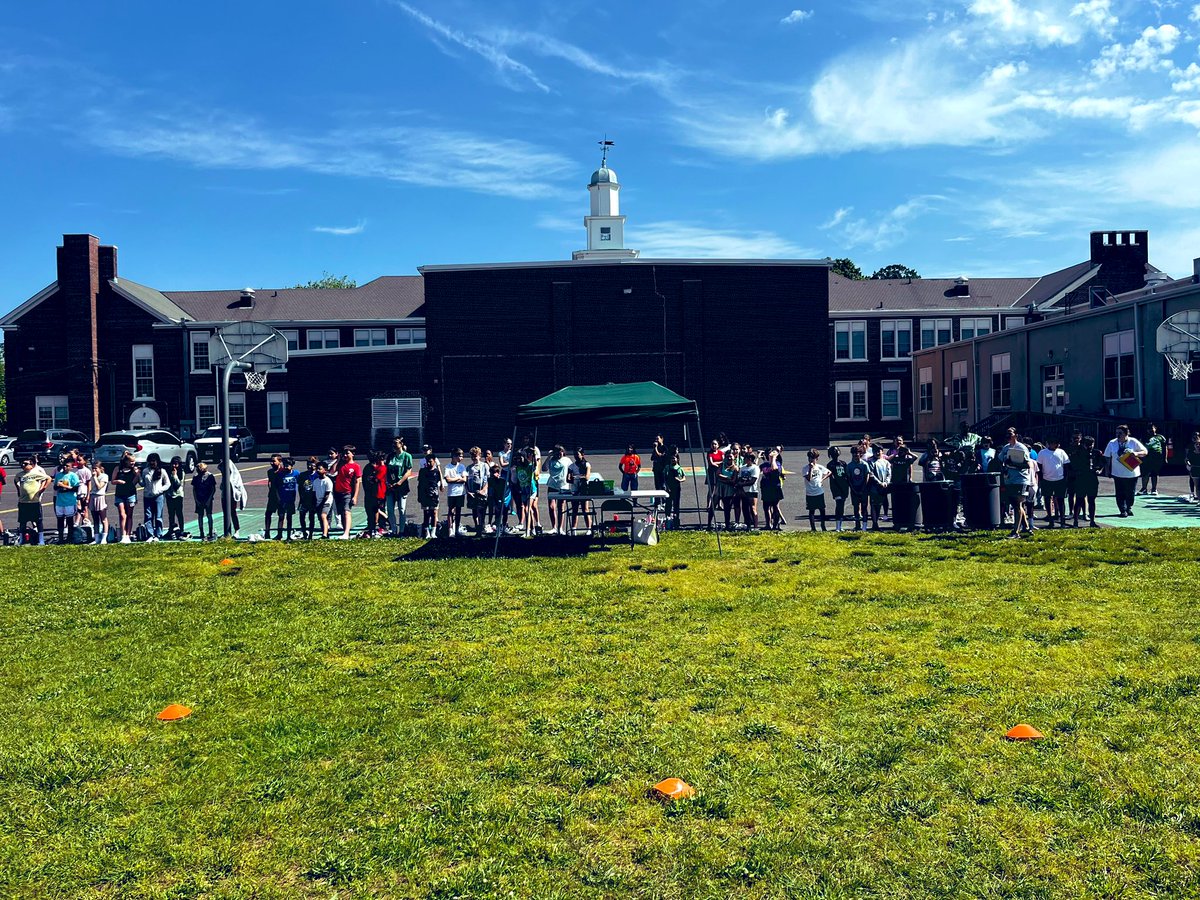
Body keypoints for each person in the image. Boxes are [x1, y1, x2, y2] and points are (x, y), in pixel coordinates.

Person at [1103, 424, 1147, 518]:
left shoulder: (1133, 441)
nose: (1118, 435)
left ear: (1126, 433)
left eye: (1120, 433)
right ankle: (1122, 510)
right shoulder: (1112, 443)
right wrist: (1107, 470)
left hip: (1132, 473)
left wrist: (1135, 453)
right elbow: (1107, 457)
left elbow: (1145, 452)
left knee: (1130, 492)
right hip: (1117, 473)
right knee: (1120, 492)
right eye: (1116, 433)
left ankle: (1129, 507)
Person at [1001, 428, 1033, 537]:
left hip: (1020, 479)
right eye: (1006, 434)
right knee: (1015, 504)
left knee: (1017, 504)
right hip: (1009, 479)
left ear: (1015, 435)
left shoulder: (1021, 448)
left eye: (1010, 434)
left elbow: (1028, 465)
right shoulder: (1006, 448)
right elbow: (1000, 459)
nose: (1008, 436)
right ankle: (1026, 528)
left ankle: (1015, 531)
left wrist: (1014, 464)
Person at [16, 457, 50, 544]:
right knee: (22, 522)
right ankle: (22, 539)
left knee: (38, 521)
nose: (23, 465)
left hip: (34, 502)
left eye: (25, 464)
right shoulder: (19, 475)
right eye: (22, 463)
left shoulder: (36, 473)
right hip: (23, 502)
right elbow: (16, 481)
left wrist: (42, 489)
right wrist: (19, 490)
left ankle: (41, 540)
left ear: (31, 465)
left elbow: (48, 479)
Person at [1036, 437, 1069, 528]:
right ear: (1049, 443)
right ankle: (1050, 519)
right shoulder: (1042, 453)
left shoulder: (1062, 452)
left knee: (1061, 500)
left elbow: (1066, 465)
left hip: (1060, 480)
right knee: (1047, 499)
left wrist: (1065, 478)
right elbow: (1039, 466)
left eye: (1058, 443)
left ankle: (1062, 520)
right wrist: (1041, 479)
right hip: (1046, 480)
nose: (1057, 445)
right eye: (1055, 443)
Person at [1071, 435, 1104, 527]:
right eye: (1087, 444)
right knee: (1079, 500)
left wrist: (1099, 470)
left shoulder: (1097, 452)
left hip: (1092, 479)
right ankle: (1075, 521)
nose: (1090, 446)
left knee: (1091, 500)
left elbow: (1102, 464)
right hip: (1081, 479)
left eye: (1091, 444)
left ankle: (1092, 521)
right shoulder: (1077, 453)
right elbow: (1073, 465)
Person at [385, 437, 413, 536]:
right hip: (390, 487)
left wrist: (400, 482)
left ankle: (401, 530)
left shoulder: (407, 456)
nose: (394, 445)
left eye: (396, 443)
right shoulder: (390, 456)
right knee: (390, 509)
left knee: (401, 509)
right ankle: (393, 529)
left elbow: (409, 471)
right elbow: (386, 470)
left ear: (401, 444)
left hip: (401, 486)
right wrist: (387, 482)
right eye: (393, 443)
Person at [333, 447, 362, 539]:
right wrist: (338, 460)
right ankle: (345, 532)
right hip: (338, 492)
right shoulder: (341, 464)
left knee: (346, 511)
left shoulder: (356, 466)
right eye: (344, 454)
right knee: (341, 512)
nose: (345, 455)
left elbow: (357, 482)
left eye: (347, 453)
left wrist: (355, 496)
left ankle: (346, 533)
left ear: (352, 454)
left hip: (348, 492)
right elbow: (332, 471)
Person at [140, 453, 170, 541]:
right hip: (147, 497)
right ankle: (150, 534)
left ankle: (158, 534)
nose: (152, 463)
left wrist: (160, 490)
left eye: (154, 461)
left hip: (158, 496)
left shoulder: (162, 471)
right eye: (150, 461)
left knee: (158, 516)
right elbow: (142, 483)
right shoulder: (145, 471)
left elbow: (168, 484)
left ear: (157, 461)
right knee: (148, 516)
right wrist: (138, 476)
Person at [111, 452, 139, 543]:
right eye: (131, 461)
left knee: (129, 515)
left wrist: (137, 475)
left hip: (130, 495)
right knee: (122, 515)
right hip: (120, 494)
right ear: (126, 461)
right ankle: (123, 535)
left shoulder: (134, 470)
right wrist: (118, 481)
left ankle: (128, 535)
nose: (133, 463)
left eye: (134, 461)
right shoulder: (118, 469)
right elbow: (112, 481)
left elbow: (134, 483)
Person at [542, 445, 570, 535]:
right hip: (552, 485)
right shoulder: (551, 460)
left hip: (563, 486)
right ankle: (554, 527)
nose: (559, 453)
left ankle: (560, 528)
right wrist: (549, 456)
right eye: (557, 452)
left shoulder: (567, 460)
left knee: (561, 507)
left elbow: (572, 470)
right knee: (551, 506)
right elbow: (544, 468)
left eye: (561, 451)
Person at [52, 456, 80, 544]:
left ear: (71, 467)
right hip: (60, 501)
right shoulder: (59, 475)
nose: (65, 467)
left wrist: (65, 486)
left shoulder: (73, 476)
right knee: (60, 519)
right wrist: (58, 486)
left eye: (67, 466)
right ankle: (60, 538)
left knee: (69, 520)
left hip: (69, 501)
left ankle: (69, 538)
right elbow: (55, 487)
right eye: (64, 465)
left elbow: (75, 488)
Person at [417, 448, 443, 539]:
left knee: (434, 512)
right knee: (426, 513)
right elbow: (420, 484)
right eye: (427, 461)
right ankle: (427, 532)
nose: (428, 463)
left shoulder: (436, 472)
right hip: (425, 494)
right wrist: (419, 496)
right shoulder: (422, 471)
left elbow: (438, 481)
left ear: (434, 461)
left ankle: (433, 532)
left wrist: (441, 485)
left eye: (430, 461)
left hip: (434, 495)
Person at [802, 448, 829, 532]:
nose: (810, 459)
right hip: (810, 493)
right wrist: (811, 469)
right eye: (809, 458)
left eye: (812, 458)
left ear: (816, 458)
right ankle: (813, 528)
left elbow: (829, 472)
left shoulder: (819, 467)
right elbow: (809, 478)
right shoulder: (805, 468)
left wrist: (822, 479)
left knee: (822, 509)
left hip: (819, 492)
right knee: (811, 511)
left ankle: (823, 525)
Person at [567, 448, 593, 534]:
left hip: (584, 490)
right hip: (574, 490)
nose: (575, 456)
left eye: (577, 454)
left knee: (585, 509)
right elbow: (568, 479)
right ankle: (573, 529)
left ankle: (589, 528)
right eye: (574, 454)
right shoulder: (571, 466)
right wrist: (574, 478)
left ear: (582, 454)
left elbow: (587, 477)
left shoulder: (587, 464)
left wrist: (577, 477)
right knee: (575, 510)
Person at [466, 447, 490, 537]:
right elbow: (466, 481)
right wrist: (468, 491)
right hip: (472, 492)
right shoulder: (469, 468)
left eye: (475, 456)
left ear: (479, 456)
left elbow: (488, 479)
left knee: (481, 511)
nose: (473, 458)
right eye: (472, 456)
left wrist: (483, 490)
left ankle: (481, 527)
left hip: (482, 492)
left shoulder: (484, 466)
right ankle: (477, 528)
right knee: (474, 511)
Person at [865, 445, 891, 530]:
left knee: (879, 505)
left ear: (882, 451)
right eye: (875, 451)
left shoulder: (886, 462)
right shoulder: (870, 462)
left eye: (879, 451)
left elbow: (889, 474)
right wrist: (879, 483)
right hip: (874, 488)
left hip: (883, 487)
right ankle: (874, 523)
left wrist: (886, 482)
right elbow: (871, 474)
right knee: (873, 505)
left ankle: (876, 523)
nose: (877, 453)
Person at [362, 450, 387, 537]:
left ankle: (382, 526)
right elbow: (365, 481)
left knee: (379, 509)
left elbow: (377, 479)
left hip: (379, 492)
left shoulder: (381, 467)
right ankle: (371, 526)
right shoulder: (368, 467)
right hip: (370, 493)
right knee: (370, 510)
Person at [760, 448, 786, 531]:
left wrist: (773, 458)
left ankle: (775, 525)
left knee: (775, 507)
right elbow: (756, 469)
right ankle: (768, 524)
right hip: (766, 487)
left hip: (775, 487)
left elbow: (774, 468)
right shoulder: (764, 465)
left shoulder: (778, 463)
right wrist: (758, 457)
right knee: (766, 507)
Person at [444, 448, 468, 537]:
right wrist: (458, 478)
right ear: (454, 456)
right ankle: (450, 529)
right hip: (451, 493)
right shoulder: (447, 467)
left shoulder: (462, 466)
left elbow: (464, 479)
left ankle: (457, 528)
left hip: (460, 492)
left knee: (458, 511)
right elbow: (448, 480)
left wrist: (454, 479)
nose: (462, 458)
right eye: (460, 456)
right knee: (451, 511)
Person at [219, 459, 245, 538]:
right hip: (224, 496)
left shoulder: (235, 476)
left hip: (232, 496)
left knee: (233, 513)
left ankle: (237, 530)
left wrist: (242, 502)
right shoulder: (224, 476)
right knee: (225, 513)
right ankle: (227, 531)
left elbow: (241, 488)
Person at [846, 445, 870, 531]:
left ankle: (865, 525)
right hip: (854, 489)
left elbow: (867, 476)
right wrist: (853, 489)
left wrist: (863, 488)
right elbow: (849, 479)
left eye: (857, 453)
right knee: (856, 507)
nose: (855, 455)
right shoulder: (849, 466)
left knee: (864, 507)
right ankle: (857, 525)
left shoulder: (864, 464)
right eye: (853, 453)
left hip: (863, 489)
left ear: (861, 454)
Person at [1139, 424, 1167, 496]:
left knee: (1155, 473)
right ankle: (1144, 488)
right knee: (1145, 473)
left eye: (1152, 428)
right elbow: (1140, 447)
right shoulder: (1144, 437)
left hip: (1157, 458)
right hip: (1146, 458)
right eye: (1149, 429)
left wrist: (1165, 458)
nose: (1150, 430)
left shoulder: (1160, 437)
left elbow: (1164, 448)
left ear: (1155, 428)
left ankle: (1154, 489)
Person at [192, 461, 217, 541]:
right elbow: (194, 489)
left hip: (208, 498)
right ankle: (201, 532)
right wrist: (196, 500)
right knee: (200, 515)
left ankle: (210, 531)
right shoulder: (196, 477)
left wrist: (209, 499)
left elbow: (213, 489)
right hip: (199, 498)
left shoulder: (210, 476)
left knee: (209, 514)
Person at [827, 446, 850, 532]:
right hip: (836, 487)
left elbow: (846, 475)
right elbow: (832, 477)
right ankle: (837, 526)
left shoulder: (843, 463)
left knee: (842, 506)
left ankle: (840, 525)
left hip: (844, 487)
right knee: (839, 505)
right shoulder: (830, 465)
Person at [738, 449, 761, 529]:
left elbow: (753, 481)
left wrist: (742, 484)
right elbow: (740, 478)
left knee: (752, 508)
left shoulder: (755, 468)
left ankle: (755, 526)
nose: (744, 459)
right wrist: (741, 487)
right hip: (743, 491)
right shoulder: (742, 468)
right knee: (745, 509)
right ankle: (748, 525)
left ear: (750, 459)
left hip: (752, 491)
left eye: (746, 458)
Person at [164, 457, 186, 539]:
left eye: (176, 464)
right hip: (170, 495)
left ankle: (182, 529)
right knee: (171, 514)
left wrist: (174, 475)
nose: (174, 466)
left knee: (179, 513)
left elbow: (178, 484)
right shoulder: (168, 472)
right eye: (173, 464)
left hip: (178, 495)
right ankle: (171, 530)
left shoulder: (181, 472)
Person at [705, 439, 725, 530]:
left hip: (719, 472)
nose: (714, 446)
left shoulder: (721, 452)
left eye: (715, 444)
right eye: (712, 444)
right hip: (711, 472)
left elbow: (723, 461)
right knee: (711, 489)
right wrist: (718, 463)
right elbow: (711, 463)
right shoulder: (709, 453)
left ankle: (719, 505)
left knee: (718, 488)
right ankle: (708, 505)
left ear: (718, 445)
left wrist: (717, 463)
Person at [297, 457, 318, 540]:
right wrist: (301, 497)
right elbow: (300, 487)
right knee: (302, 516)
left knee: (311, 517)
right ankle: (304, 532)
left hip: (313, 499)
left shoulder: (317, 475)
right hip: (304, 499)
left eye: (312, 465)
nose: (310, 467)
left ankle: (310, 534)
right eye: (309, 465)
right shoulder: (302, 475)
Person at [88, 460, 109, 544]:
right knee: (95, 519)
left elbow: (99, 486)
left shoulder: (104, 476)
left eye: (96, 468)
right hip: (93, 496)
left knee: (103, 518)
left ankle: (104, 538)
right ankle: (96, 538)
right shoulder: (92, 476)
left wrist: (95, 478)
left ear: (100, 468)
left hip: (100, 497)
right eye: (93, 468)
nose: (94, 470)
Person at [313, 461, 334, 539]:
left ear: (325, 470)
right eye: (317, 469)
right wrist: (315, 503)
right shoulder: (315, 481)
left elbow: (327, 494)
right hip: (318, 502)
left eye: (320, 469)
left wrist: (321, 504)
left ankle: (324, 535)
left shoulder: (328, 481)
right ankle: (325, 532)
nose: (318, 470)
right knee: (321, 518)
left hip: (326, 502)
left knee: (323, 515)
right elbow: (314, 493)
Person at [665, 447, 685, 527]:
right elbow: (665, 478)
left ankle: (676, 518)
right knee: (668, 503)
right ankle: (667, 517)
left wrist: (680, 480)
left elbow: (684, 477)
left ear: (677, 459)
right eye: (672, 459)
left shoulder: (679, 468)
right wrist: (667, 487)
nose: (673, 460)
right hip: (669, 487)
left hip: (676, 488)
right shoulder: (667, 467)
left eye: (674, 458)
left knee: (676, 504)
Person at [487, 464, 509, 535]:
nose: (492, 475)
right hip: (496, 499)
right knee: (497, 513)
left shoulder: (503, 480)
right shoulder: (490, 480)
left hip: (505, 498)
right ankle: (497, 528)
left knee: (505, 513)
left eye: (493, 473)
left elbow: (506, 489)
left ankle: (504, 526)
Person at [1187, 432, 1200, 502]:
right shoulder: (1190, 446)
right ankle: (1193, 494)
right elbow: (1187, 458)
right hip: (1194, 468)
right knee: (1196, 484)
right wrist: (1188, 464)